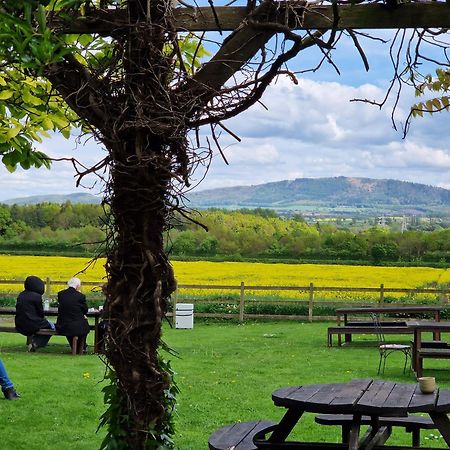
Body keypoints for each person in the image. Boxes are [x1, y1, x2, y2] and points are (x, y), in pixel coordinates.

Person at [15, 275, 55, 352]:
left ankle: (33, 342)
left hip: (20, 324)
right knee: (52, 326)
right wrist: (43, 319)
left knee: (46, 325)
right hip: (32, 324)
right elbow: (40, 313)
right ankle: (36, 343)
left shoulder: (21, 295)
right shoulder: (36, 297)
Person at [56, 277, 90, 354]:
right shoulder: (80, 296)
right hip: (77, 326)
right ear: (78, 286)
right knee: (84, 326)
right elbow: (85, 310)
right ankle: (82, 347)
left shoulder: (60, 294)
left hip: (62, 325)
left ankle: (76, 347)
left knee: (72, 327)